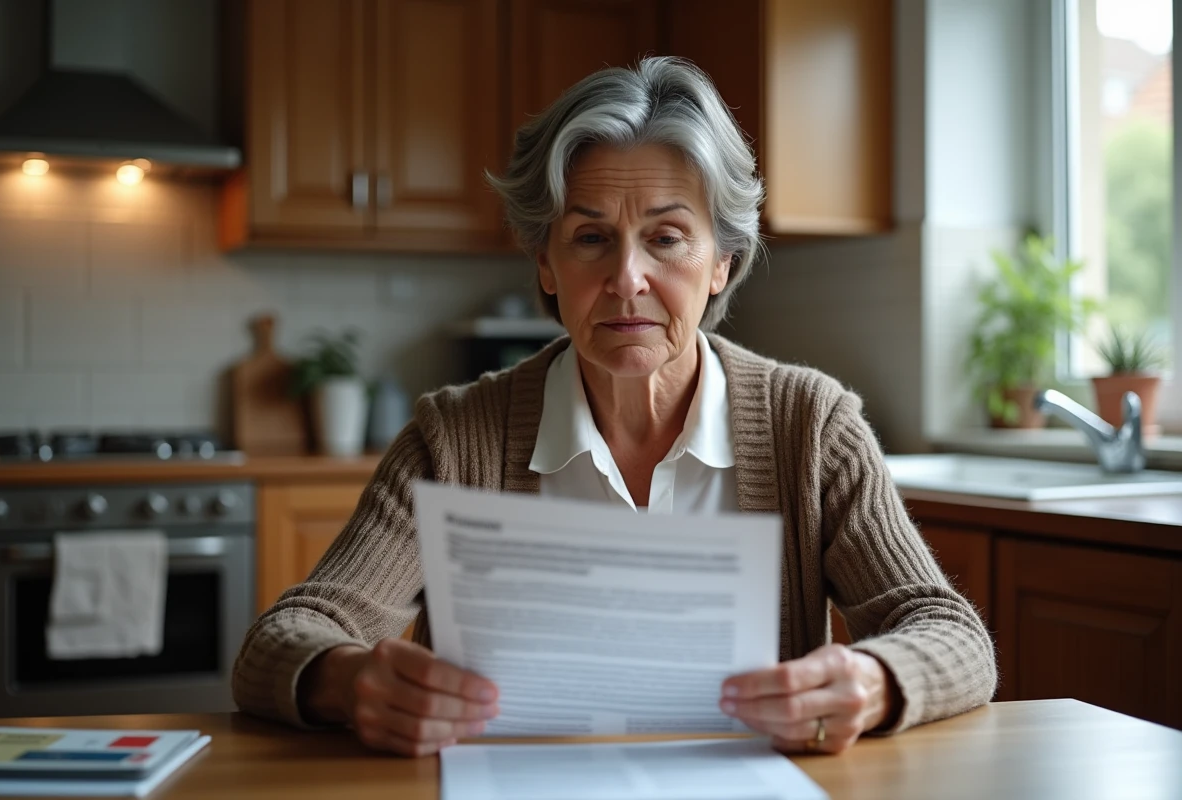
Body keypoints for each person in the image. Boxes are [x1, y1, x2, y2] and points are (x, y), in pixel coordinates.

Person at [232, 57, 996, 758]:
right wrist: (347, 680)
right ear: (546, 263)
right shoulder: (455, 438)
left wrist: (872, 681)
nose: (627, 277)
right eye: (591, 237)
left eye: (666, 238)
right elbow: (282, 638)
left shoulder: (811, 426)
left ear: (722, 261)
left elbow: (951, 634)